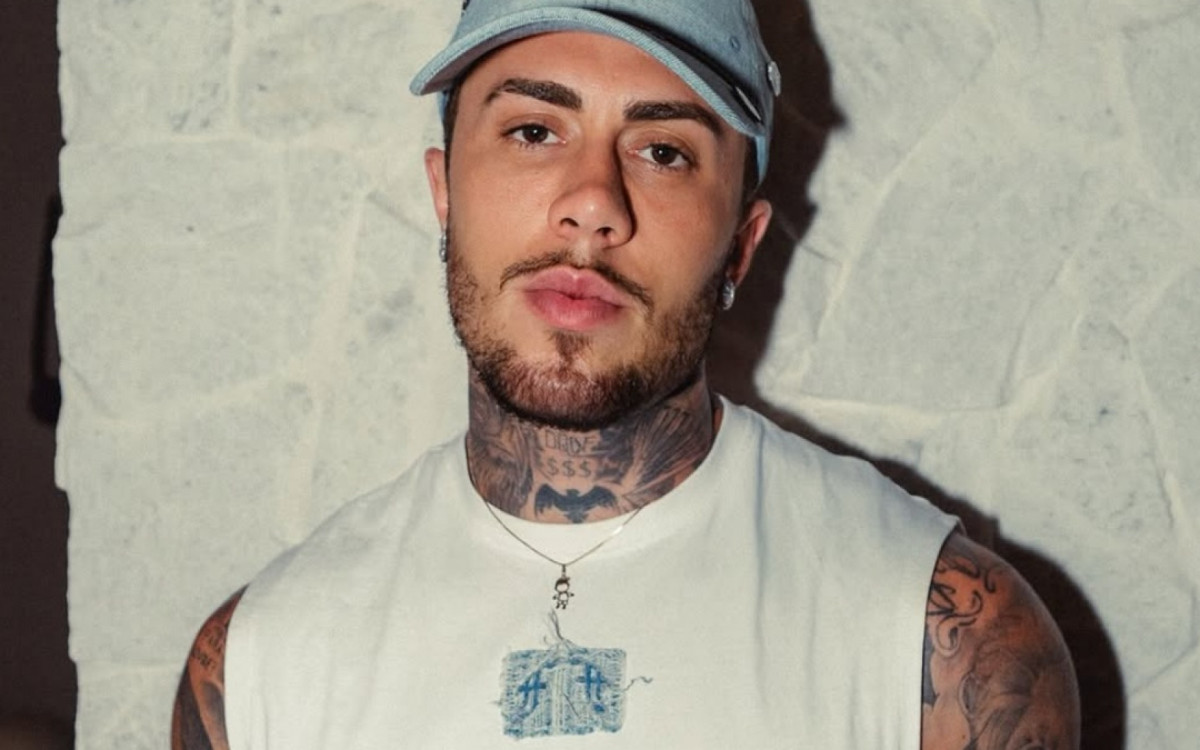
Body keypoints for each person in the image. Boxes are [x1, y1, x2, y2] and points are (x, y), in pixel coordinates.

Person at [172, 0, 1081, 747]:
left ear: (740, 246)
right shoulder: (257, 667)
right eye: (535, 130)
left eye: (663, 151)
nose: (592, 204)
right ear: (445, 194)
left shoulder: (946, 644)